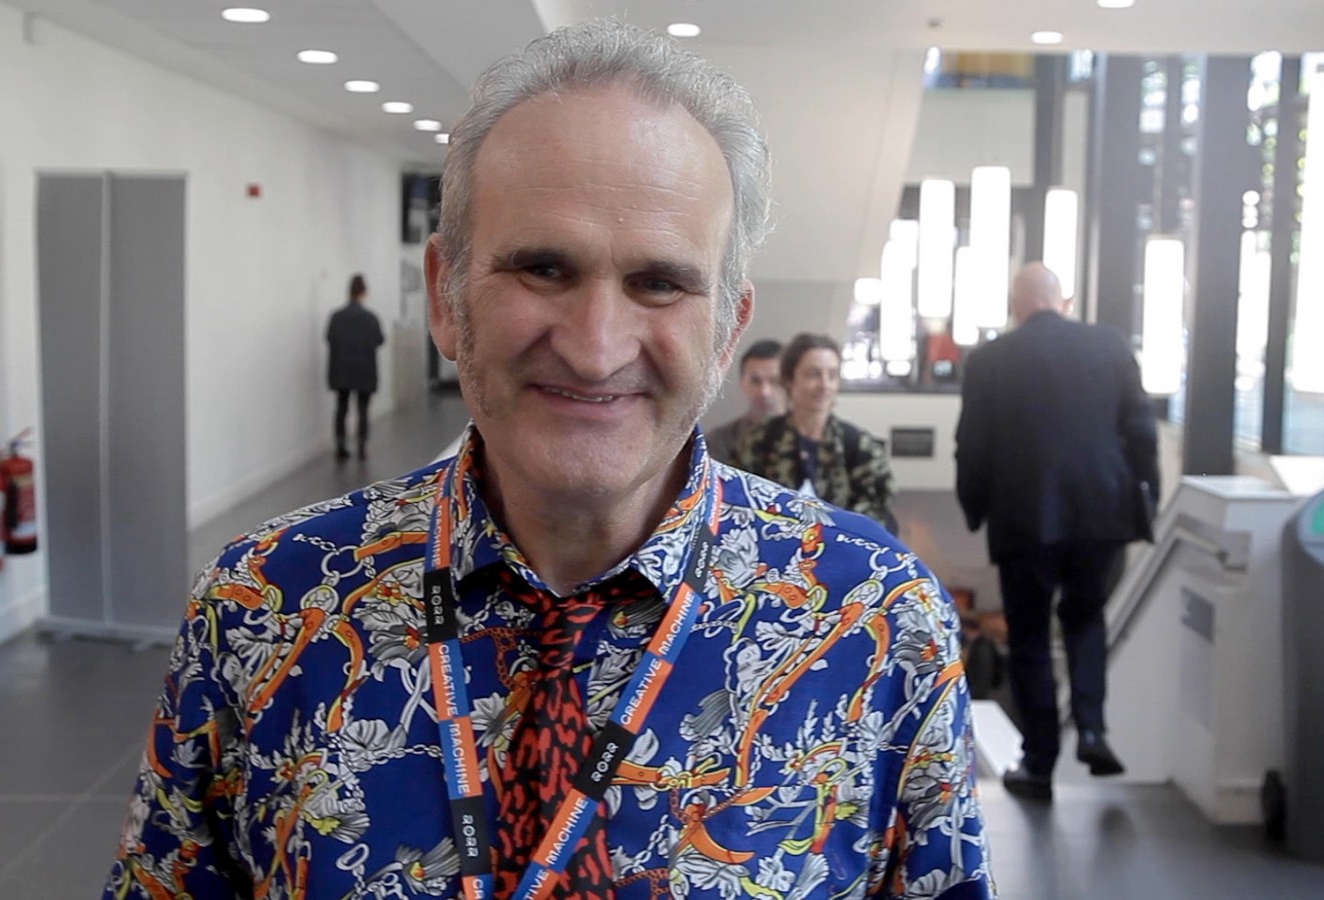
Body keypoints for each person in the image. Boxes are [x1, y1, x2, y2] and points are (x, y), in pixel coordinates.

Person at [105, 22, 992, 900]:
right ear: (447, 298)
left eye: (659, 282)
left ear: (727, 330)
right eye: (542, 269)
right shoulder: (262, 608)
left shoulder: (877, 624)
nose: (596, 349)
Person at [953, 262, 1160, 802]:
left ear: (1016, 307)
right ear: (1063, 301)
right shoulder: (1110, 345)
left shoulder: (991, 359)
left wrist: (974, 508)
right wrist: (1148, 498)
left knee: (1029, 637)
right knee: (1086, 618)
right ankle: (1092, 728)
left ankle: (1039, 763)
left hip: (1024, 516)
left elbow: (972, 444)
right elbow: (1141, 429)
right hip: (1103, 512)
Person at [731, 332, 898, 531]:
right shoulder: (759, 441)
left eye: (832, 375)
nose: (824, 385)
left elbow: (877, 516)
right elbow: (737, 505)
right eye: (813, 374)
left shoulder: (859, 447)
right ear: (789, 379)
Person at [327, 273, 385, 460]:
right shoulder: (370, 318)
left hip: (341, 370)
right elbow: (379, 340)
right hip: (364, 370)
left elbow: (330, 338)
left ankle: (340, 446)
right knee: (363, 409)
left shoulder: (336, 317)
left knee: (341, 407)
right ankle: (361, 447)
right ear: (364, 292)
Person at [702, 338, 784, 461]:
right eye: (755, 381)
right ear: (742, 383)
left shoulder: (809, 438)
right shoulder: (719, 441)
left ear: (791, 383)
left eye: (775, 381)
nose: (764, 392)